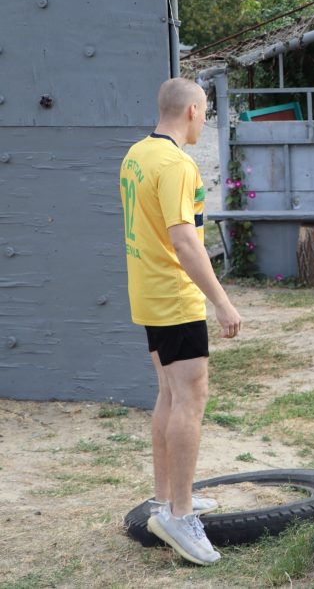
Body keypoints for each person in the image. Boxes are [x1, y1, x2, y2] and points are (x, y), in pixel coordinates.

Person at [119, 78, 243, 565]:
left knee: (169, 393)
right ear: (192, 110)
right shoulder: (176, 165)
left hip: (147, 292)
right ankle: (181, 514)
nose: (205, 119)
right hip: (174, 298)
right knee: (190, 397)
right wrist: (222, 302)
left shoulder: (136, 155)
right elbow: (185, 241)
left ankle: (165, 498)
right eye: (205, 110)